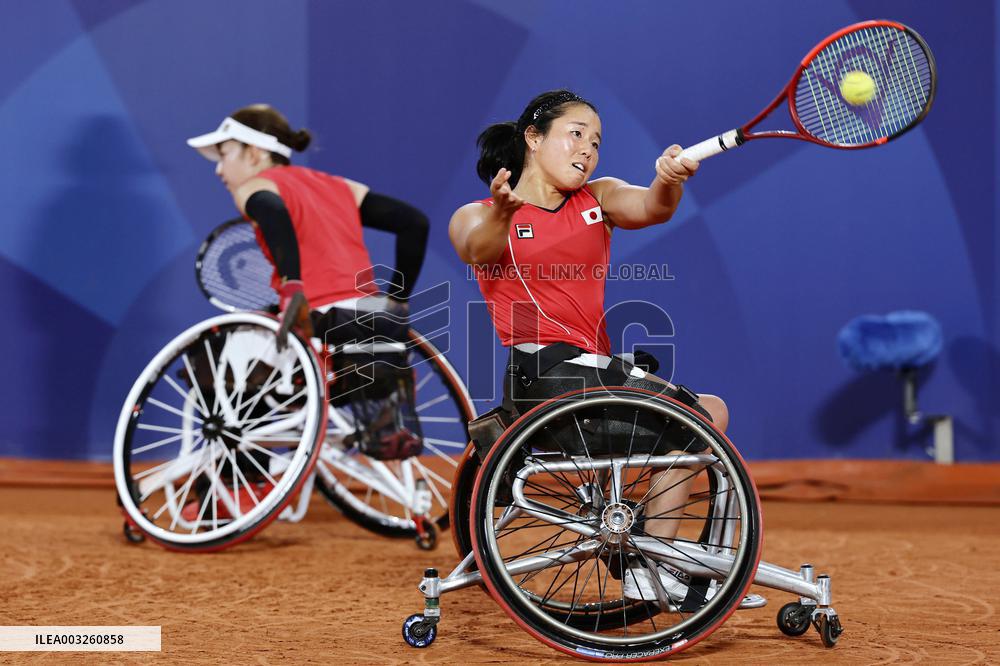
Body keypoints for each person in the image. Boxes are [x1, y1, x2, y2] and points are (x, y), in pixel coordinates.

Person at [449, 89, 730, 604]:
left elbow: (650, 207)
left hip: (590, 376)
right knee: (702, 417)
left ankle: (653, 553)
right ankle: (656, 566)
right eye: (575, 135)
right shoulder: (477, 213)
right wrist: (504, 213)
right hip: (546, 377)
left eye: (596, 142)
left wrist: (667, 183)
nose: (588, 150)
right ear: (533, 139)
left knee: (705, 412)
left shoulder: (598, 198)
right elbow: (477, 247)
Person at [187, 104, 430, 458]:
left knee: (209, 354)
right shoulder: (337, 186)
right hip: (374, 319)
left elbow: (273, 211)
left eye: (224, 155)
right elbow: (414, 223)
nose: (220, 169)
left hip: (320, 319)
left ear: (254, 153)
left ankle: (242, 475)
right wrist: (398, 299)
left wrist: (292, 286)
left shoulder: (255, 186)